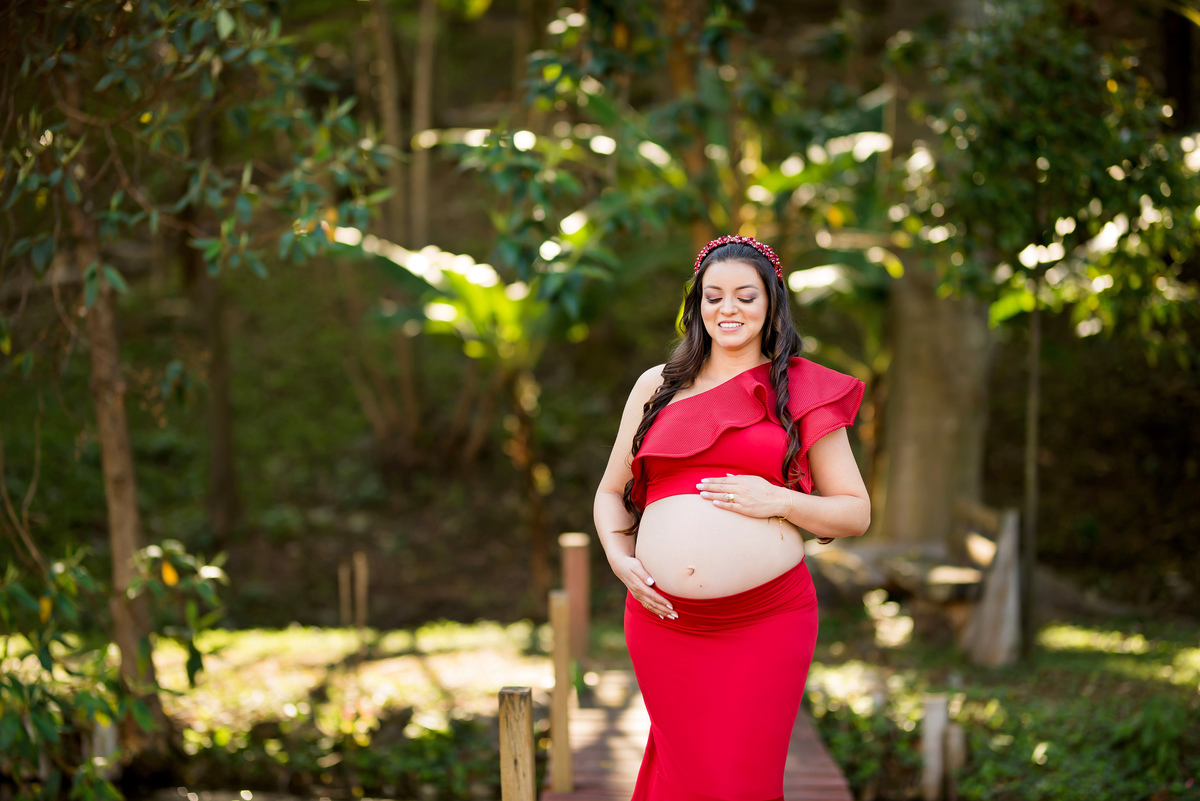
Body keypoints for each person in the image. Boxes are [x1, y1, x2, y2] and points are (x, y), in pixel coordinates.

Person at [593, 235, 871, 801]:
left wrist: (782, 501)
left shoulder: (802, 389)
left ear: (771, 303)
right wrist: (620, 558)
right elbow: (610, 494)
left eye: (746, 296)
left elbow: (855, 512)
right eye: (713, 297)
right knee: (685, 776)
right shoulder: (658, 386)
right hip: (664, 621)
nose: (729, 309)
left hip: (766, 620)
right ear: (696, 306)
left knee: (739, 782)